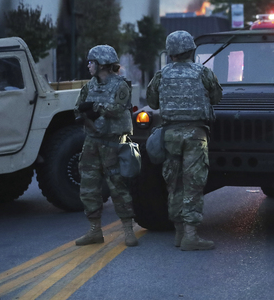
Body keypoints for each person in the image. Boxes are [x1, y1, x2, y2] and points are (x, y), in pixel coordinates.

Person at [146, 30, 223, 251]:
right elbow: (217, 97)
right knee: (193, 184)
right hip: (195, 136)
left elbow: (152, 102)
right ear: (191, 50)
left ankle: (179, 233)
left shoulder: (161, 75)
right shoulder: (203, 72)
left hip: (170, 135)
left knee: (174, 183)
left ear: (170, 53)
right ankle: (191, 235)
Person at [74, 45, 137, 247]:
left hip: (113, 142)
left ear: (102, 63)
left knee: (118, 187)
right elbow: (78, 107)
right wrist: (83, 116)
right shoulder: (89, 86)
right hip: (92, 142)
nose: (88, 66)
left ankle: (128, 230)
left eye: (91, 62)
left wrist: (95, 108)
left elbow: (117, 110)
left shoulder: (121, 85)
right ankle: (94, 230)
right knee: (88, 187)